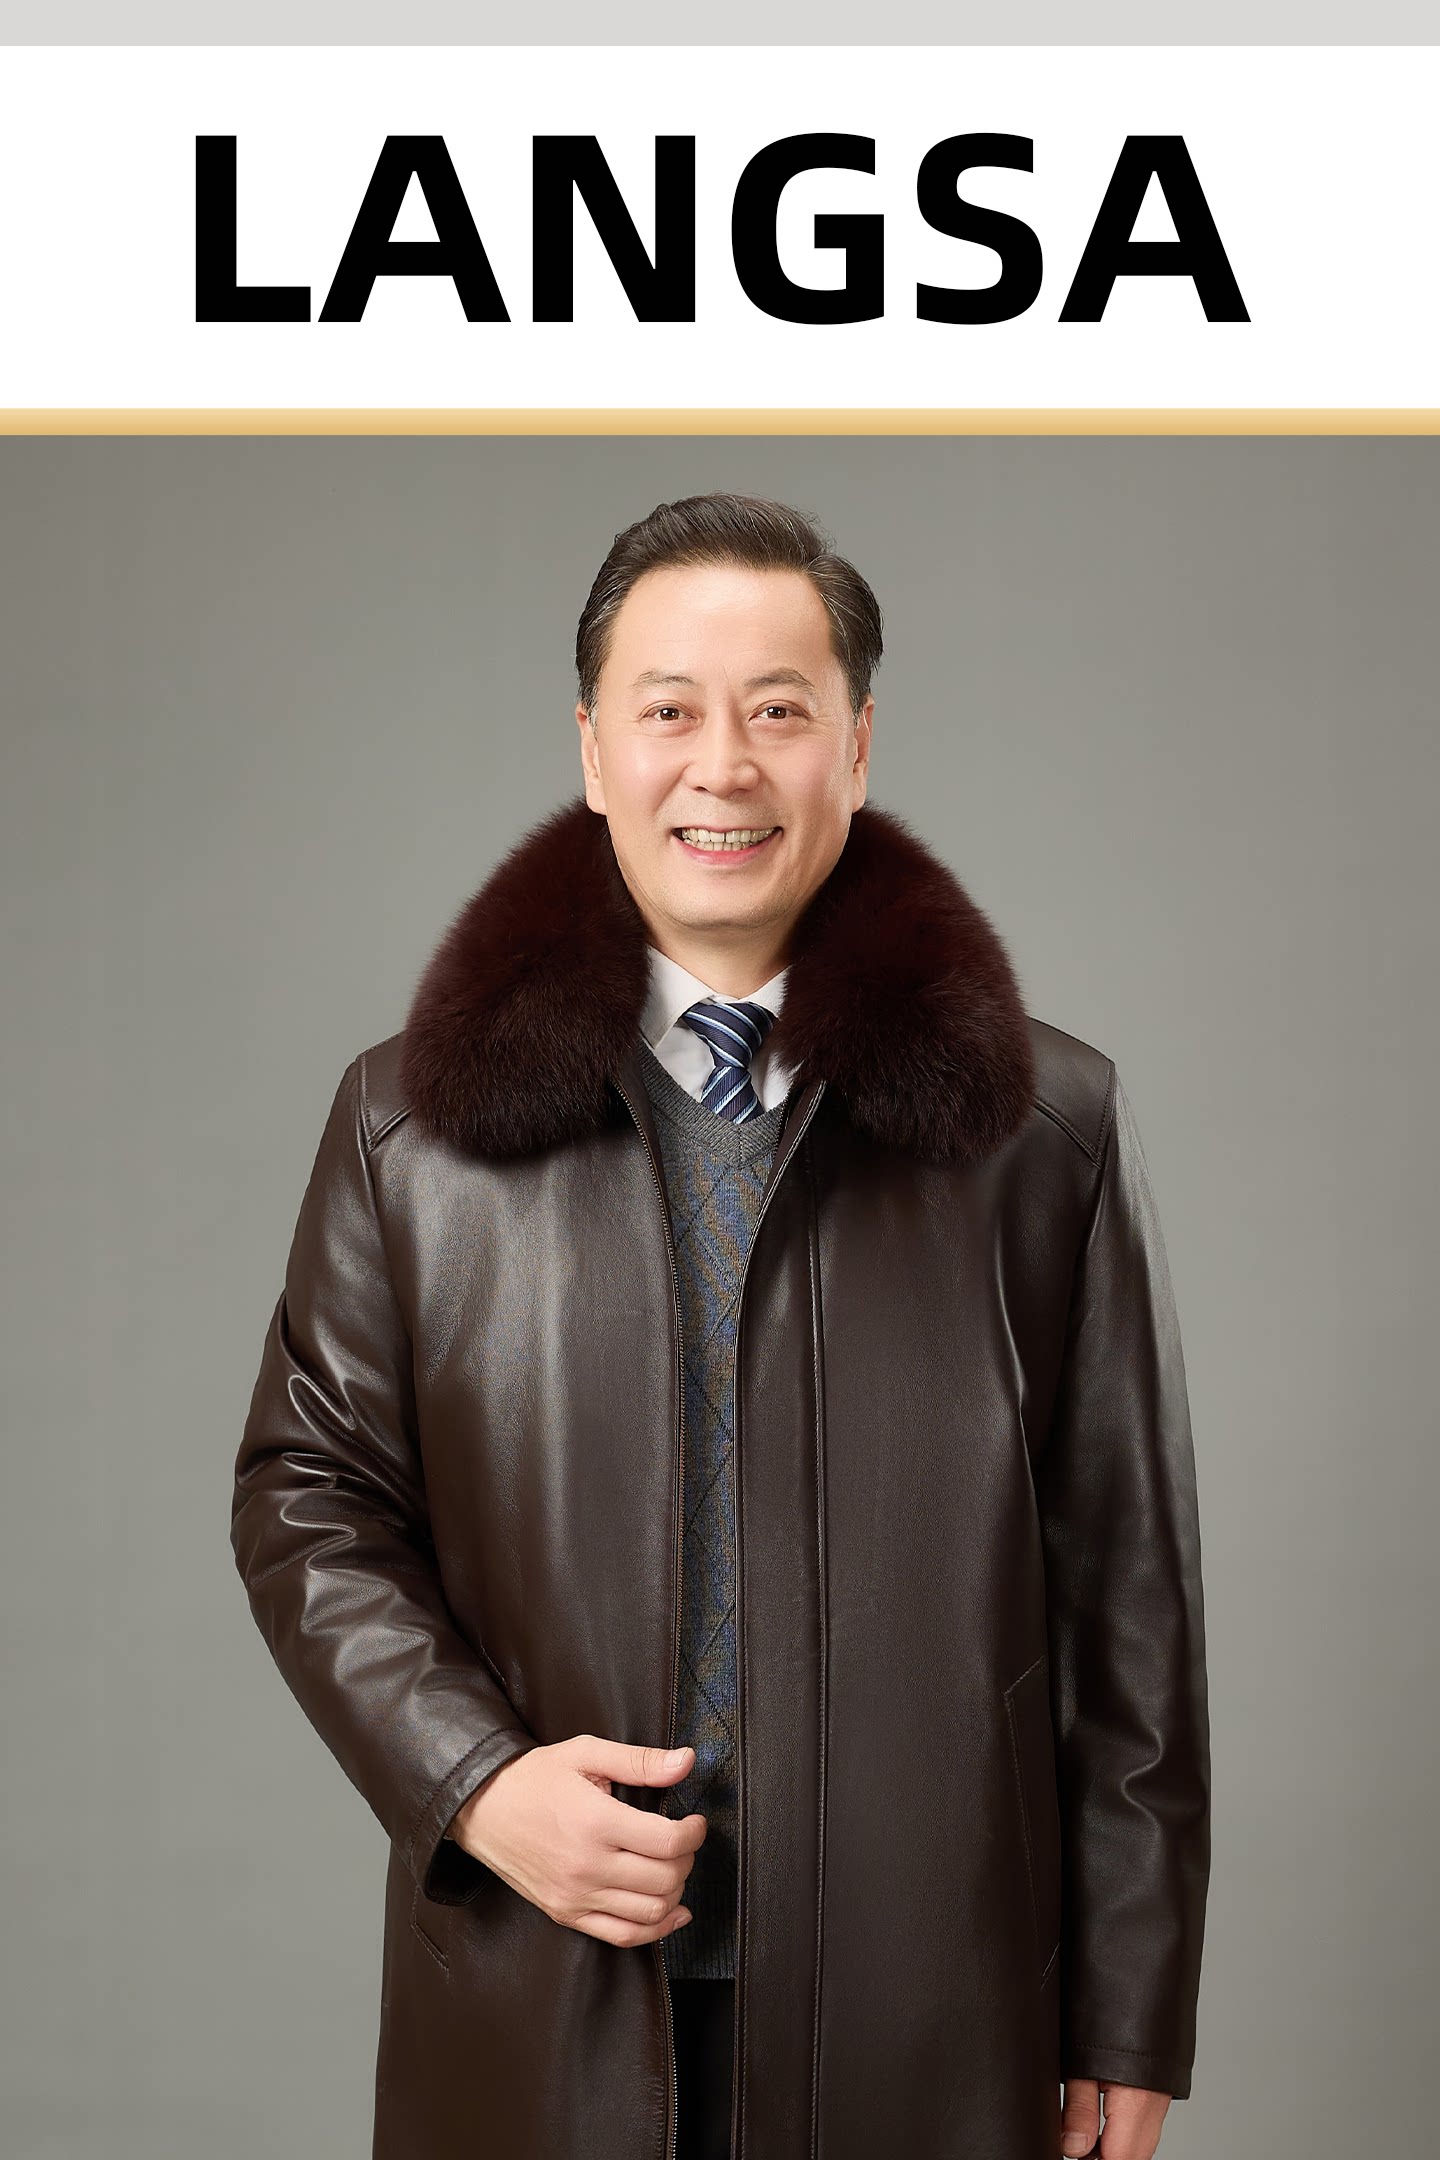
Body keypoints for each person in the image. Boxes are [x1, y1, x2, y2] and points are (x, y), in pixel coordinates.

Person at [232, 491, 1211, 2160]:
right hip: (541, 1996)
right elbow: (305, 1500)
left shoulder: (1040, 1134)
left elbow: (1127, 1589)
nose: (724, 767)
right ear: (594, 747)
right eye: (670, 710)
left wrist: (1130, 2008)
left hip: (930, 2009)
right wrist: (478, 1783)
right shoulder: (414, 1132)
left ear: (858, 745)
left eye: (779, 712)